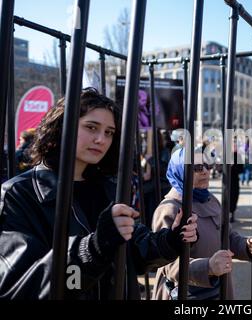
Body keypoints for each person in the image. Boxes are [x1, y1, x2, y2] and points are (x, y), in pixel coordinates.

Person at [0, 88, 198, 299]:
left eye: (109, 132)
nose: (101, 139)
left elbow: (131, 251)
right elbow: (23, 286)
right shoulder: (18, 194)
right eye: (91, 127)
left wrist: (170, 240)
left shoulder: (109, 187)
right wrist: (92, 249)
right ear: (60, 128)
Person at [151, 148, 252, 300]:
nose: (204, 171)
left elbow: (227, 236)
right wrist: (208, 267)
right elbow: (166, 263)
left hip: (219, 289)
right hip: (186, 293)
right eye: (196, 168)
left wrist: (246, 246)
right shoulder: (170, 208)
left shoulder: (211, 199)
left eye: (207, 165)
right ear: (180, 171)